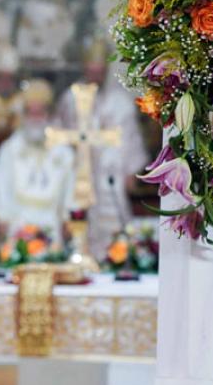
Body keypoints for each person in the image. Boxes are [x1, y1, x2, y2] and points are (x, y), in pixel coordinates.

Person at [55, 38, 149, 258]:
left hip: (110, 174)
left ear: (106, 71)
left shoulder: (120, 102)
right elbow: (60, 137)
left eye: (99, 72)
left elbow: (130, 139)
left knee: (112, 231)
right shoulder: (70, 98)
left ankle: (114, 258)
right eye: (91, 71)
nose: (95, 77)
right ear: (84, 69)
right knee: (77, 224)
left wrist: (130, 173)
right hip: (78, 174)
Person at [0, 78, 75, 244]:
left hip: (52, 230)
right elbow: (0, 187)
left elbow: (71, 190)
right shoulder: (9, 149)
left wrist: (68, 219)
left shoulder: (64, 152)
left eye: (40, 113)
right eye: (31, 113)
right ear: (24, 115)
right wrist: (2, 218)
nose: (36, 119)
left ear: (48, 115)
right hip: (16, 229)